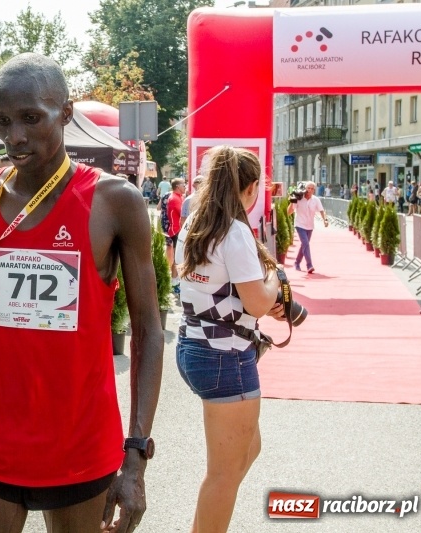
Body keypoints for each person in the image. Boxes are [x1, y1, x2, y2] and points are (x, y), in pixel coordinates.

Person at [0, 53, 163, 533]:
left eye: (30, 119)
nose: (14, 137)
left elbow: (147, 329)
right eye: (2, 121)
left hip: (79, 444)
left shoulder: (113, 201)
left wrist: (137, 454)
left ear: (64, 113)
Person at [174, 145, 284, 533]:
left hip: (193, 345)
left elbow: (211, 290)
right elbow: (256, 303)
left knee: (246, 452)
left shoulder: (195, 223)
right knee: (224, 473)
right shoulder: (234, 232)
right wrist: (275, 281)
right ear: (251, 189)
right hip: (226, 356)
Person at [288, 181, 328, 274]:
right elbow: (289, 212)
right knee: (305, 243)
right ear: (305, 189)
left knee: (304, 245)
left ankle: (297, 263)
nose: (309, 190)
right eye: (308, 188)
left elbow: (322, 211)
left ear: (314, 190)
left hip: (310, 226)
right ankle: (309, 265)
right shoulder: (299, 198)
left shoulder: (315, 200)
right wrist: (291, 201)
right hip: (299, 225)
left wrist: (325, 220)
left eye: (312, 188)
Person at [167, 178, 186, 294]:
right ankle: (174, 282)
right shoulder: (174, 198)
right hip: (176, 230)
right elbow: (184, 213)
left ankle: (176, 281)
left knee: (179, 257)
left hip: (177, 230)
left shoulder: (177, 197)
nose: (185, 187)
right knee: (177, 258)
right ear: (177, 186)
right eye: (183, 185)